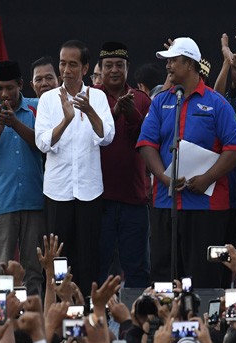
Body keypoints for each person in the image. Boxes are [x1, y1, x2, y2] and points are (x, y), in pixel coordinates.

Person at [137, 37, 236, 287]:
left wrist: (208, 177)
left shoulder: (216, 103)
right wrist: (163, 178)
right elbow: (146, 144)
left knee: (205, 275)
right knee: (164, 273)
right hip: (165, 203)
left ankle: (207, 325)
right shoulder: (162, 101)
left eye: (174, 61)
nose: (168, 66)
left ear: (190, 64)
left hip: (206, 207)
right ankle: (165, 324)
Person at [35, 40, 115, 297]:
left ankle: (87, 310)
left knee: (88, 256)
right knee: (58, 258)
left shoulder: (98, 96)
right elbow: (43, 142)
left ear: (85, 67)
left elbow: (107, 136)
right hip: (58, 192)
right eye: (62, 63)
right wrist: (66, 120)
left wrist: (90, 112)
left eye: (72, 64)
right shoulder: (48, 99)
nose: (66, 70)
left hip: (89, 191)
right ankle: (59, 307)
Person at [0, 60, 45, 296]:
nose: (4, 94)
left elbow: (44, 144)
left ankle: (33, 324)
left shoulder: (37, 108)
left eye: (9, 88)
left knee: (33, 270)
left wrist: (15, 123)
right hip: (2, 203)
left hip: (35, 201)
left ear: (21, 85)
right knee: (1, 270)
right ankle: (0, 325)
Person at [95, 42, 152, 288]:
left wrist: (133, 116)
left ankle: (136, 321)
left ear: (128, 68)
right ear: (100, 68)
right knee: (98, 265)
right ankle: (94, 319)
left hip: (135, 198)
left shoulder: (141, 99)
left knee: (137, 267)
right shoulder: (90, 97)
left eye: (120, 65)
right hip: (98, 199)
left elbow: (149, 142)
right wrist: (115, 112)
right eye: (108, 66)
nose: (114, 70)